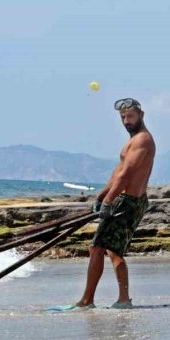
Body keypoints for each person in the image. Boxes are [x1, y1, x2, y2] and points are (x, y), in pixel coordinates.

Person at [51, 98, 156, 311]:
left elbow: (127, 175)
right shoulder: (133, 140)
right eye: (123, 118)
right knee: (102, 249)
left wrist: (109, 201)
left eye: (130, 117)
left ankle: (100, 300)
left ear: (141, 115)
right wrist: (101, 196)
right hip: (123, 200)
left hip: (129, 202)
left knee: (104, 249)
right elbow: (117, 173)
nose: (126, 121)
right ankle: (105, 299)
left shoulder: (143, 140)